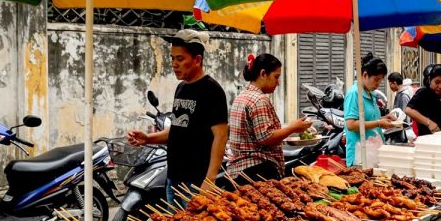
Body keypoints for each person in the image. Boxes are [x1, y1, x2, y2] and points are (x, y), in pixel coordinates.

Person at [127, 29, 228, 206]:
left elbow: (221, 136)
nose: (174, 64)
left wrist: (210, 180)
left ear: (197, 60)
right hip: (173, 178)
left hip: (197, 182)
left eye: (180, 59)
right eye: (172, 58)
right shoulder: (181, 88)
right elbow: (178, 129)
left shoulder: (211, 90)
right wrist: (147, 138)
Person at [227, 53, 313, 182]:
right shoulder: (259, 100)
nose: (278, 83)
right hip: (257, 170)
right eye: (276, 77)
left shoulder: (242, 96)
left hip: (240, 171)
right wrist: (293, 128)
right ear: (263, 74)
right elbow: (265, 137)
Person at [344, 53, 396, 166]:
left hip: (372, 151)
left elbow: (368, 119)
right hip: (359, 156)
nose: (378, 84)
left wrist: (384, 118)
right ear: (365, 75)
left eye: (381, 80)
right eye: (376, 79)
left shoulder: (371, 94)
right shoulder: (354, 94)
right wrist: (378, 123)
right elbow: (351, 125)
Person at [405, 64, 441, 136]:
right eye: (437, 82)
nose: (440, 86)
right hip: (428, 139)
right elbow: (409, 110)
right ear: (430, 80)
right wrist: (429, 123)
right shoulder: (423, 92)